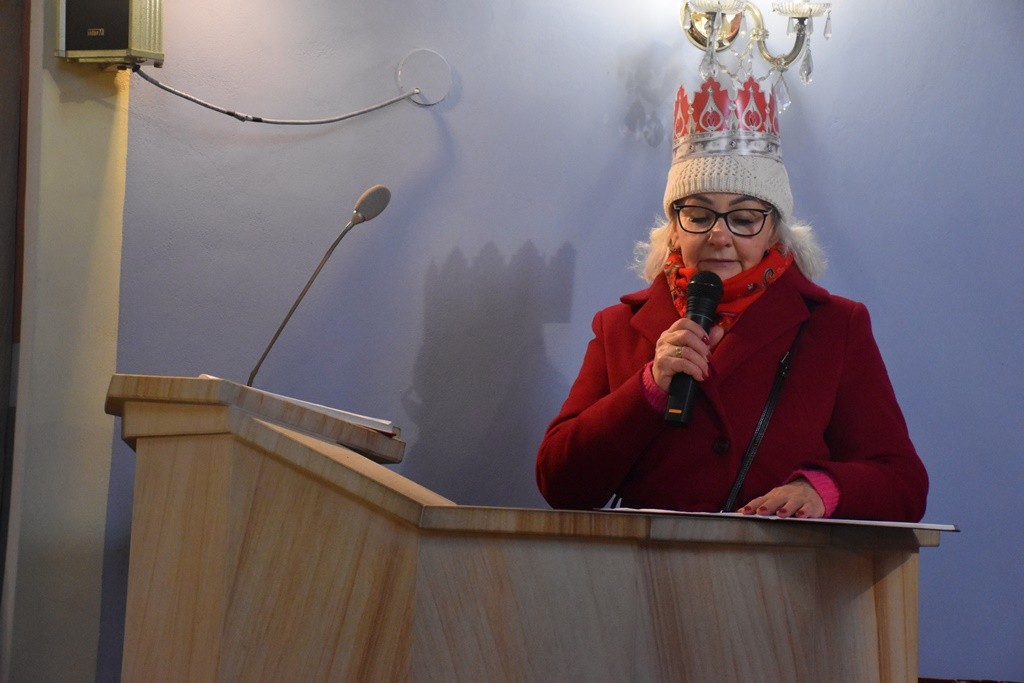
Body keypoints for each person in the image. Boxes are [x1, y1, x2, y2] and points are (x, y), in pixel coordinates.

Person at [535, 76, 928, 522]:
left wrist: (822, 489)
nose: (719, 236)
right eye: (699, 215)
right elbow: (559, 483)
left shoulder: (835, 326)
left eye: (743, 218)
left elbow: (903, 483)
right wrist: (649, 388)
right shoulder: (618, 328)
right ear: (675, 229)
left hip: (780, 565)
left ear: (773, 232)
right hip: (647, 564)